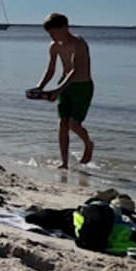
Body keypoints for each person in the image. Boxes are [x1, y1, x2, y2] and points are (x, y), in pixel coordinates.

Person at [34, 12, 95, 169]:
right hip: (64, 85)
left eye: (53, 32)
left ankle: (88, 144)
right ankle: (64, 162)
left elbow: (75, 71)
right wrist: (40, 87)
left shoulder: (78, 43)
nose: (51, 36)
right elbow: (51, 69)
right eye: (49, 33)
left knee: (74, 125)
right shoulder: (54, 47)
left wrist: (57, 90)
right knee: (62, 124)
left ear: (64, 28)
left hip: (82, 86)